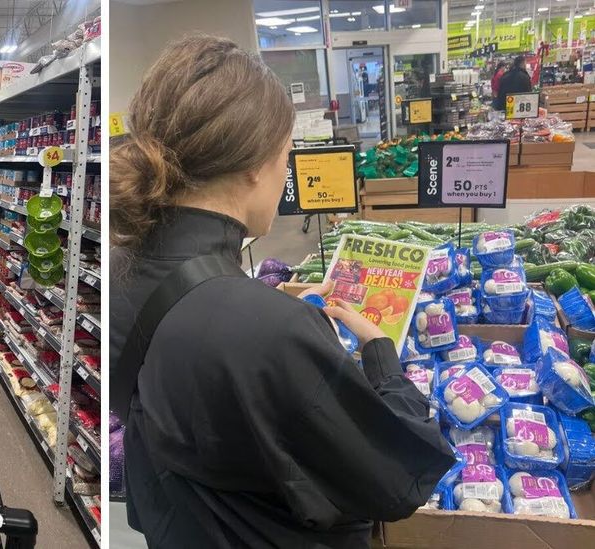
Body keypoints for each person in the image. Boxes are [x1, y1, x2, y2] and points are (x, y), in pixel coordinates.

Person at [110, 35, 455, 548]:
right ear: (254, 163)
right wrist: (380, 352)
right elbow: (397, 478)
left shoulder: (121, 268)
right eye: (285, 151)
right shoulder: (270, 330)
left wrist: (261, 311)